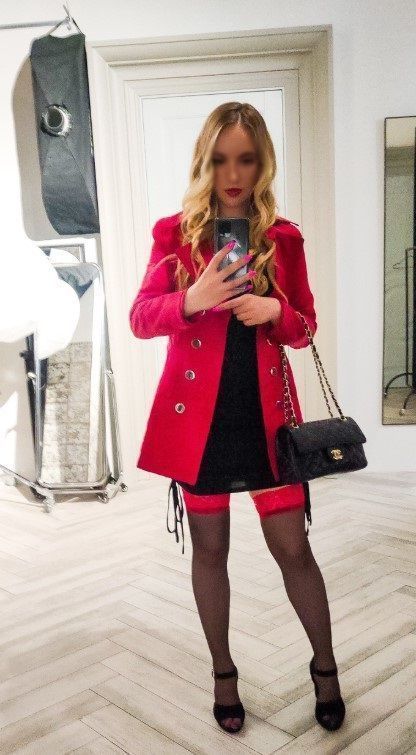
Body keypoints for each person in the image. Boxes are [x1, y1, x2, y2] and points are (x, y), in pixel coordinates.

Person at [129, 102, 345, 734]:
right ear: (205, 161)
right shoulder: (174, 235)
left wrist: (275, 313)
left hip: (266, 420)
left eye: (246, 159)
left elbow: (304, 328)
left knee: (293, 549)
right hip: (199, 425)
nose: (232, 174)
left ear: (262, 163)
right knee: (210, 549)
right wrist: (191, 300)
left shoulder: (284, 238)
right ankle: (223, 674)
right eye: (221, 159)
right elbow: (141, 318)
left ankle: (325, 668)